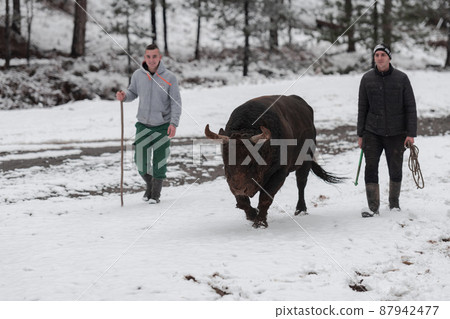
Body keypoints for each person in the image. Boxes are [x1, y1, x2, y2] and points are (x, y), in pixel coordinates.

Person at [116, 44, 182, 204]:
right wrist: (124, 96)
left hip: (162, 126)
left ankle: (155, 195)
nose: (151, 60)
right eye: (148, 56)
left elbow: (176, 103)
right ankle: (150, 185)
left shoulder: (170, 77)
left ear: (160, 57)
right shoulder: (138, 75)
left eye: (154, 56)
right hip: (143, 125)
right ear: (144, 58)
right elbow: (132, 92)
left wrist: (173, 123)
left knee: (159, 161)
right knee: (140, 160)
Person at [357, 43, 417, 217]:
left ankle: (394, 203)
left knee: (395, 167)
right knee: (371, 167)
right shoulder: (367, 79)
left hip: (397, 132)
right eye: (377, 55)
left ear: (389, 58)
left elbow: (410, 107)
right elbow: (362, 108)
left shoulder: (402, 78)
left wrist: (411, 133)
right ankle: (373, 206)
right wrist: (361, 134)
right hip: (372, 131)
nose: (380, 58)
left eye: (383, 55)